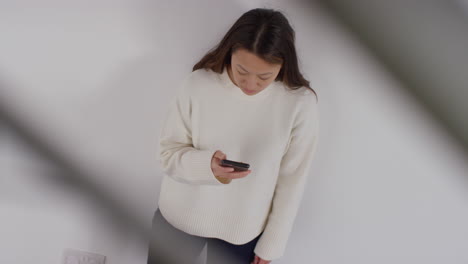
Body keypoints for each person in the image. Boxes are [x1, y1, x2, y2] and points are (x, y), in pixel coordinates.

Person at [147, 7, 319, 264]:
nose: (250, 85)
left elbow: (292, 182)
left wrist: (271, 245)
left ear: (283, 64)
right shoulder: (198, 84)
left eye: (264, 77)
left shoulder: (299, 104)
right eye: (241, 71)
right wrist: (208, 167)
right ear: (229, 53)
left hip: (243, 234)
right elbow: (167, 154)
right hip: (178, 220)